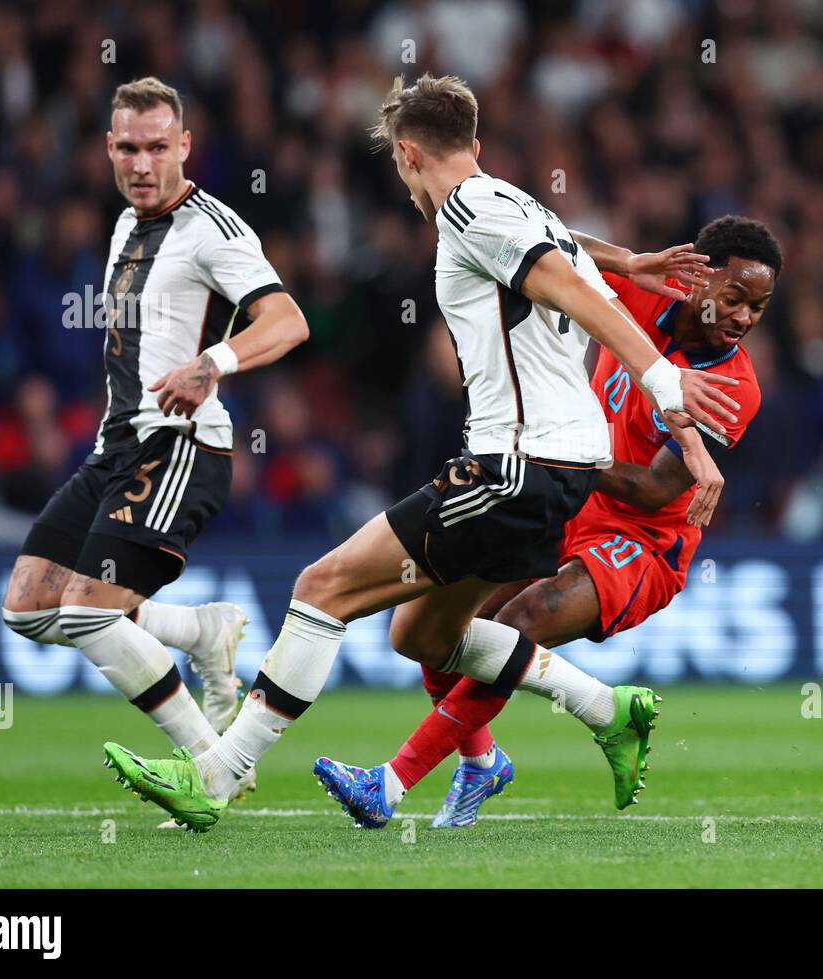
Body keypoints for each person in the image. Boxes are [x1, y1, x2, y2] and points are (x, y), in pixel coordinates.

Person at [102, 73, 741, 832]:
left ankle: (216, 774)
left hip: (514, 467)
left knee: (322, 585)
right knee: (422, 635)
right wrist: (628, 260)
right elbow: (564, 250)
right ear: (472, 144)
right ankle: (607, 707)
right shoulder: (510, 200)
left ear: (407, 155)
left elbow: (565, 282)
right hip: (557, 475)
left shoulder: (471, 211)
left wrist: (666, 384)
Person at [397, 216, 781, 826]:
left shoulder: (733, 386)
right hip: (567, 503)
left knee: (520, 621)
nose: (743, 318)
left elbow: (655, 489)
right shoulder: (642, 292)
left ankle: (393, 781)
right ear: (698, 278)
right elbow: (545, 239)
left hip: (644, 544)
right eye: (734, 298)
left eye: (758, 307)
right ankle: (481, 763)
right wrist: (628, 260)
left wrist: (557, 450)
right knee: (444, 620)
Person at [0, 77, 309, 787]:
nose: (143, 165)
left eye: (158, 148)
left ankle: (214, 770)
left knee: (84, 615)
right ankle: (201, 631)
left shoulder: (215, 230)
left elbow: (289, 320)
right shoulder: (125, 225)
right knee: (26, 608)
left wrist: (213, 362)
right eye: (130, 149)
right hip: (117, 448)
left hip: (181, 445)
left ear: (185, 146)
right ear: (109, 148)